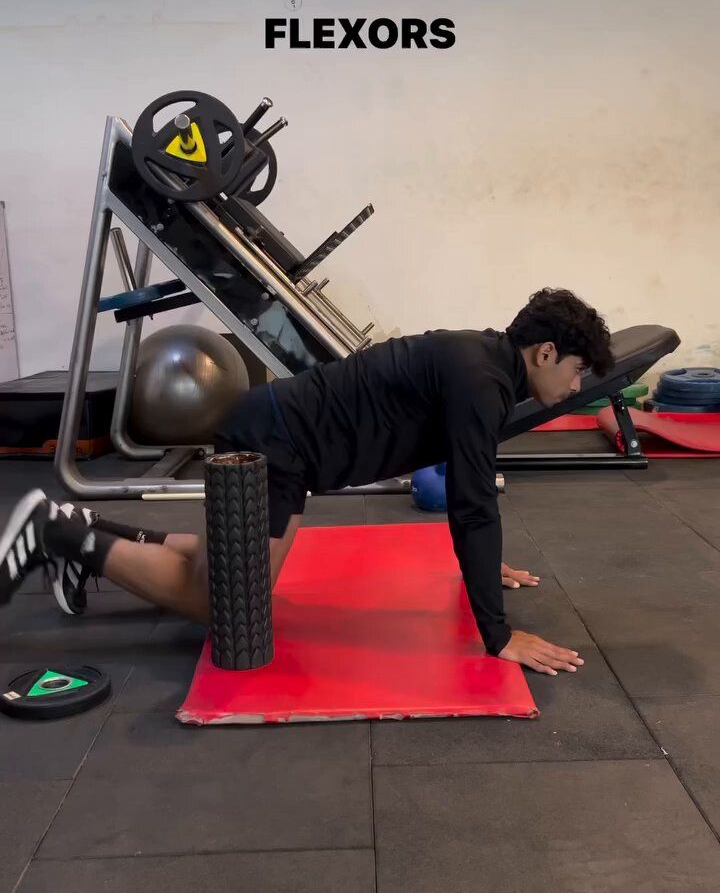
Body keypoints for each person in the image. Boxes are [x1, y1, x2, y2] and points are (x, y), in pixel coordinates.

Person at [0, 288, 613, 676]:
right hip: (274, 445)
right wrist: (498, 634)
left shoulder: (482, 363)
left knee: (230, 572)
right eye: (578, 371)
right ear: (545, 351)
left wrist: (486, 565)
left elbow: (468, 489)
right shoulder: (483, 380)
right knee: (227, 603)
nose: (577, 388)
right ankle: (59, 533)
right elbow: (474, 505)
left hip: (282, 441)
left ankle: (92, 527)